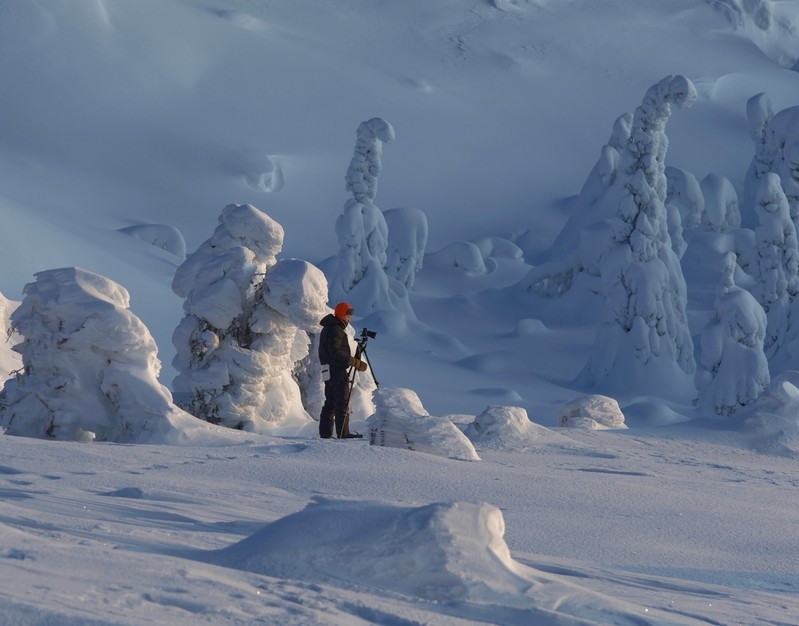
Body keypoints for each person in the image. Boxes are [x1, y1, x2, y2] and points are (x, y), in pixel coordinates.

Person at [318, 302, 367, 438]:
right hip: (336, 370)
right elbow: (336, 351)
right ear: (341, 314)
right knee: (341, 402)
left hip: (327, 369)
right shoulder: (335, 329)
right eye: (347, 315)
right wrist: (355, 362)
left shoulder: (329, 327)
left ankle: (326, 434)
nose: (349, 318)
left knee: (330, 402)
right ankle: (343, 433)